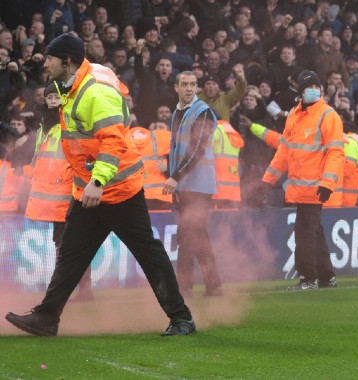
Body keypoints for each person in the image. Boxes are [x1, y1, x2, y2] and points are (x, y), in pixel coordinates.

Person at [5, 33, 194, 337]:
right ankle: (47, 317)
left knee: (148, 254)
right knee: (71, 255)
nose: (45, 64)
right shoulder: (80, 82)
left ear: (67, 61)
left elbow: (113, 140)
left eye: (50, 58)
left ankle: (182, 318)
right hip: (89, 192)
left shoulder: (94, 92)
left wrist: (97, 180)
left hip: (117, 191)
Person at [263, 70, 344, 291]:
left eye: (317, 87)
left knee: (305, 232)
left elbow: (336, 152)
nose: (314, 90)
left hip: (316, 187)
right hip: (302, 187)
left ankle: (308, 278)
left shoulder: (328, 115)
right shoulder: (294, 115)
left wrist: (328, 183)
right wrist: (269, 179)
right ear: (300, 91)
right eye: (309, 87)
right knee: (313, 231)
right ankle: (326, 276)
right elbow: (284, 150)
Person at [23, 82, 93, 301]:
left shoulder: (69, 123)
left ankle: (77, 290)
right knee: (63, 245)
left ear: (64, 99)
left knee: (72, 244)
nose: (53, 102)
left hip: (70, 194)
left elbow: (83, 157)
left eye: (56, 98)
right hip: (55, 199)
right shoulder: (44, 127)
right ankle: (72, 290)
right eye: (49, 98)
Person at [163, 71, 223, 298]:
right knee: (193, 236)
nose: (189, 88)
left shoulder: (203, 112)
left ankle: (187, 286)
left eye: (193, 84)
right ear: (176, 87)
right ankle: (208, 285)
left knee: (190, 235)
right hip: (187, 186)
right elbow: (177, 150)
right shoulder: (178, 113)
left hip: (198, 186)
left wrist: (175, 176)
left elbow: (197, 149)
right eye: (185, 84)